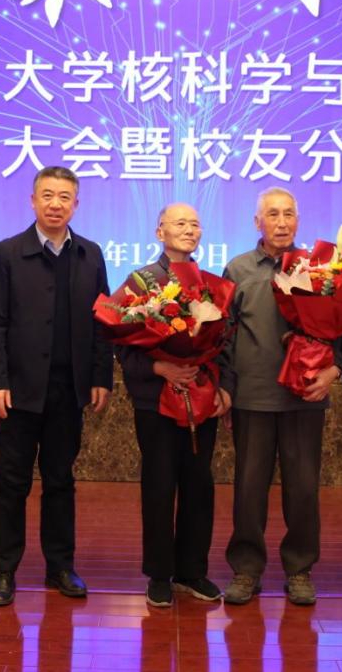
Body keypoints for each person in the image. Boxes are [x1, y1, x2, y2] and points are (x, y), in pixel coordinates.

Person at [0, 166, 113, 607]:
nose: (56, 204)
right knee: (11, 481)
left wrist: (101, 377)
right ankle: (3, 570)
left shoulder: (90, 254)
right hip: (19, 389)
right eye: (48, 195)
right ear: (33, 200)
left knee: (60, 480)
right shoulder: (8, 252)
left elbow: (103, 322)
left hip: (68, 389)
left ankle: (60, 566)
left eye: (65, 197)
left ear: (76, 204)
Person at [220, 188, 341, 607]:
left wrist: (334, 369)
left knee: (303, 489)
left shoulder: (320, 268)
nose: (282, 222)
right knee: (248, 490)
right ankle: (246, 569)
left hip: (305, 395)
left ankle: (300, 569)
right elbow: (224, 334)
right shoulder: (238, 268)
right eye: (273, 214)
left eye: (289, 214)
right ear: (258, 222)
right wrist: (226, 389)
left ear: (298, 221)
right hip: (252, 396)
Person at [116, 203, 231, 608]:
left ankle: (191, 571)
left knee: (199, 485)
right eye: (179, 223)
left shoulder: (212, 285)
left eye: (195, 224)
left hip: (200, 399)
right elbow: (122, 345)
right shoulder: (140, 282)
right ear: (159, 231)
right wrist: (160, 367)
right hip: (156, 403)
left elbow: (225, 343)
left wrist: (223, 388)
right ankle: (159, 573)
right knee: (159, 485)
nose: (189, 229)